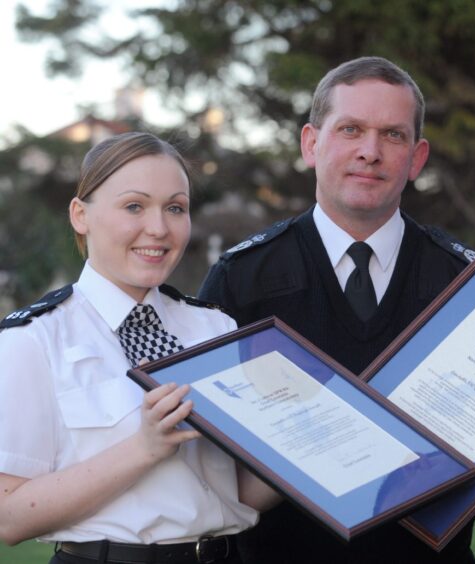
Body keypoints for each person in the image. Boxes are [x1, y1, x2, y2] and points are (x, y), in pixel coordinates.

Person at [199, 56, 475, 563]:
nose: (370, 152)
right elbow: (209, 462)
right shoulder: (242, 280)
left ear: (416, 159)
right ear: (311, 143)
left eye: (392, 136)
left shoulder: (465, 285)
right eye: (351, 129)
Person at [0, 132, 279, 564]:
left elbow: (234, 491)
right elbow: (9, 517)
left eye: (175, 208)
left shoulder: (216, 327)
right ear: (80, 215)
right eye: (134, 206)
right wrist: (143, 448)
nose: (159, 228)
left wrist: (301, 454)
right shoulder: (33, 341)